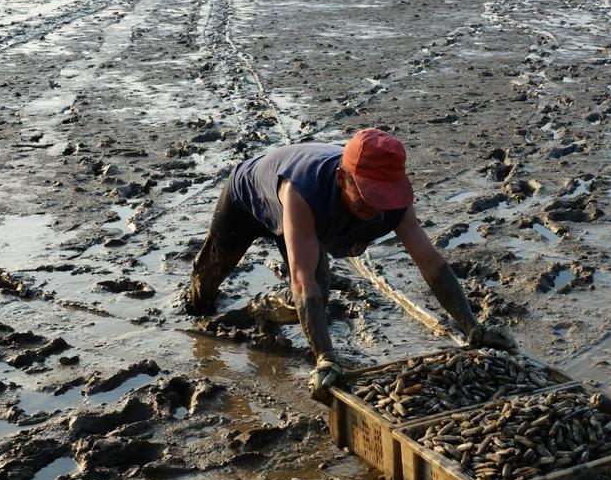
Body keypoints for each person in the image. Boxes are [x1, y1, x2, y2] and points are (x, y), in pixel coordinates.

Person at [185, 127, 517, 402]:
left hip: (310, 222)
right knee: (209, 279)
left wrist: (472, 328)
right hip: (248, 198)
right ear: (342, 178)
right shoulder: (303, 191)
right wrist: (325, 358)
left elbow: (431, 263)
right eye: (368, 195)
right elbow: (301, 279)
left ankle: (262, 309)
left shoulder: (395, 203)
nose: (375, 209)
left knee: (319, 293)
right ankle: (197, 304)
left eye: (383, 197)